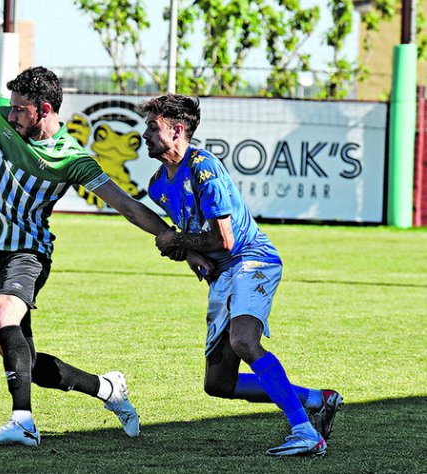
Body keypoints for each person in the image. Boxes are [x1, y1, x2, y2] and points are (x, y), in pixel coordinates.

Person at [0, 20, 210, 447]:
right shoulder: (5, 119)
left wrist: (177, 242)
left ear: (44, 111)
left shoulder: (72, 158)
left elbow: (126, 204)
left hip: (27, 250)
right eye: (10, 108)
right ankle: (107, 389)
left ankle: (23, 422)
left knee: (4, 316)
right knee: (23, 361)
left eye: (19, 110)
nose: (9, 116)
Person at [141, 94, 343, 457]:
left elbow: (225, 239)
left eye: (153, 128)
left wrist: (178, 240)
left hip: (252, 259)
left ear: (178, 130)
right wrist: (186, 251)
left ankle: (305, 431)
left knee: (245, 341)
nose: (146, 134)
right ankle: (318, 400)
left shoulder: (203, 166)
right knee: (217, 384)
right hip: (223, 273)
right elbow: (194, 236)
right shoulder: (158, 186)